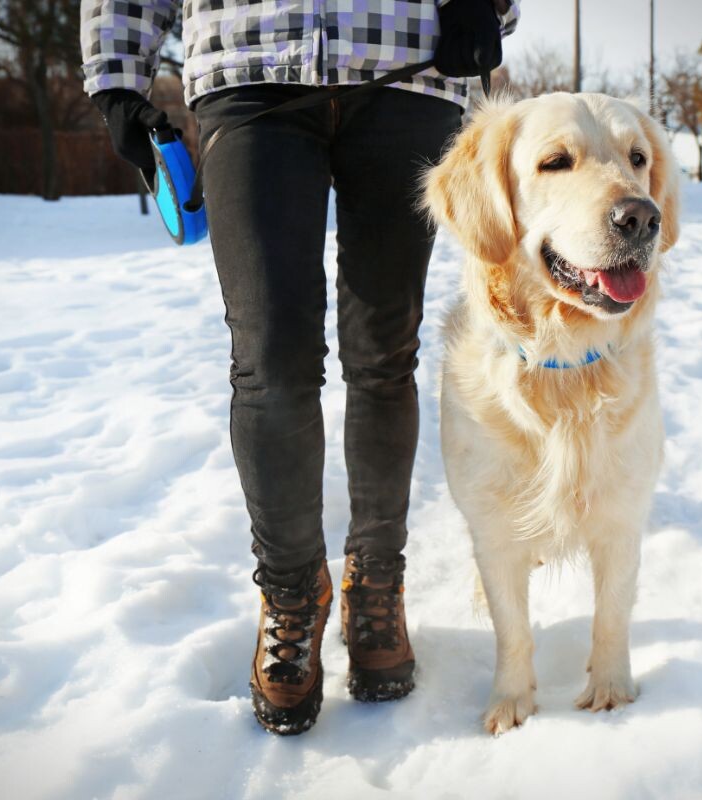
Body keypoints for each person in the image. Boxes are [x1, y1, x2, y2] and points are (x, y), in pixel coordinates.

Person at [80, 0, 520, 735]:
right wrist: (118, 76)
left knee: (384, 353)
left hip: (405, 64)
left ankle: (375, 581)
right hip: (249, 61)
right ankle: (291, 593)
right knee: (270, 360)